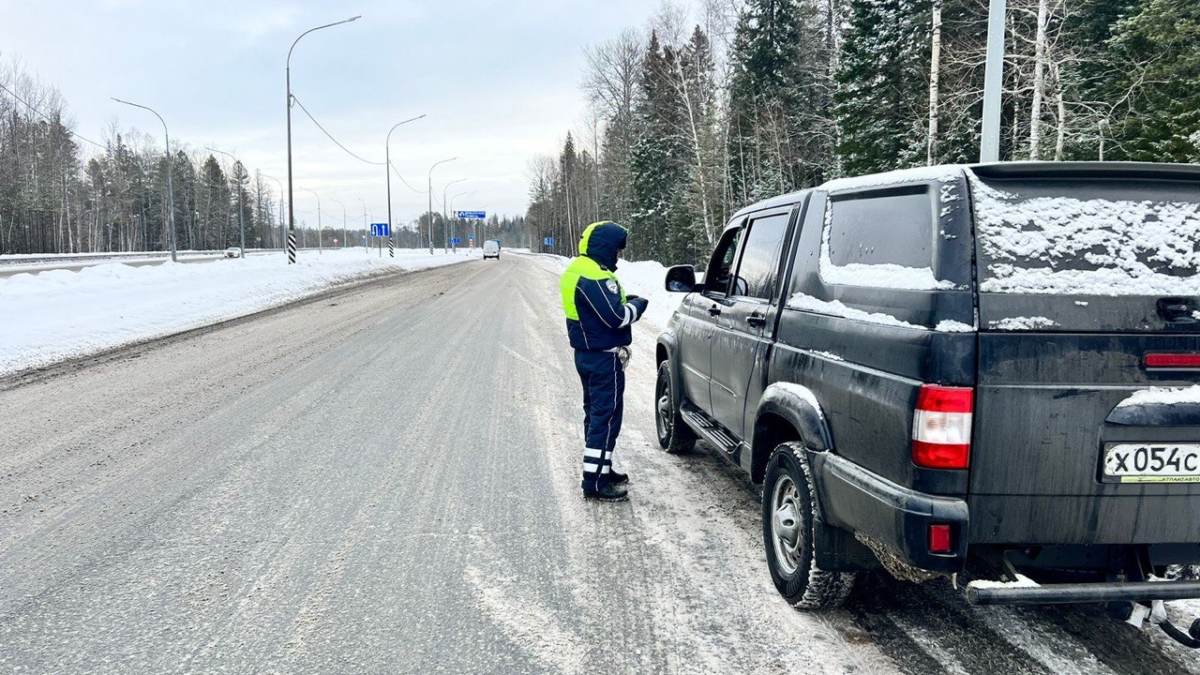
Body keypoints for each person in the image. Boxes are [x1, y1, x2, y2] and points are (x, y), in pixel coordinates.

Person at [560, 221, 649, 501]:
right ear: (606, 246)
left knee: (596, 416)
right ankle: (596, 482)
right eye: (616, 250)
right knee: (606, 418)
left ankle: (601, 469)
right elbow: (616, 317)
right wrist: (639, 305)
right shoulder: (595, 275)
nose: (618, 256)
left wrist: (623, 301)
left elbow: (600, 308)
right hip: (603, 359)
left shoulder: (577, 269)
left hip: (587, 355)